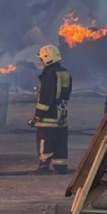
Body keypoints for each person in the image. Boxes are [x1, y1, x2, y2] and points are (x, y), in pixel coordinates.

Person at [29, 45, 72, 175]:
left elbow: (46, 97)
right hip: (62, 113)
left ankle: (43, 165)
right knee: (60, 140)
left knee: (44, 138)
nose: (40, 63)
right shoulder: (65, 72)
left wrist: (37, 116)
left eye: (41, 60)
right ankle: (61, 166)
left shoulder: (48, 74)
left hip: (48, 116)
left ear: (48, 59)